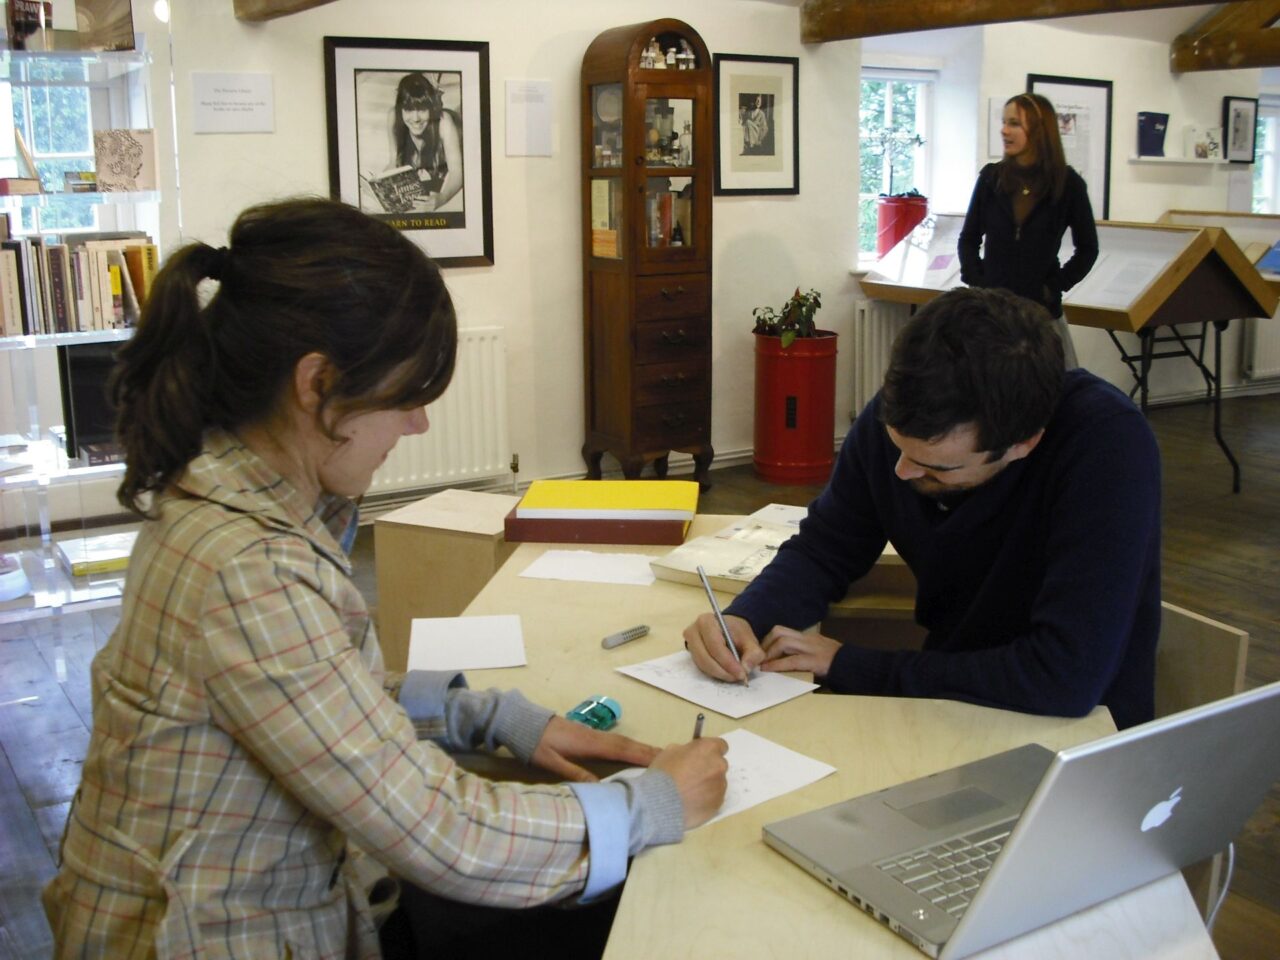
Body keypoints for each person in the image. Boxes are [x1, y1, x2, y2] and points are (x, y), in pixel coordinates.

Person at [43, 197, 729, 959]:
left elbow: (322, 696)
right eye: (407, 398)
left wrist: (490, 718)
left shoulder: (229, 497)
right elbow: (445, 833)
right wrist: (656, 802)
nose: (417, 426)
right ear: (316, 385)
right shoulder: (246, 567)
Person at [684, 287, 1161, 731]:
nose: (902, 473)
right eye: (896, 446)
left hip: (1079, 735)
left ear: (1022, 445)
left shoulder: (1107, 446)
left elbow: (1064, 677)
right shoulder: (904, 418)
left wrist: (847, 663)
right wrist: (746, 617)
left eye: (936, 468)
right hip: (948, 703)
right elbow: (827, 547)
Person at [957, 92, 1098, 369]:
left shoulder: (1068, 184)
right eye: (1004, 122)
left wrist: (1052, 286)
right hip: (992, 314)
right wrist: (980, 282)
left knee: (1049, 396)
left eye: (1014, 123)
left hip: (1041, 315)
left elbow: (1088, 249)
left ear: (1037, 129)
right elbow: (969, 239)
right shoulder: (991, 179)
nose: (1004, 130)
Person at [388, 72, 464, 212]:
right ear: (401, 109)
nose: (415, 118)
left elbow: (457, 171)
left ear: (431, 108)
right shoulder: (394, 116)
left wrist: (442, 198)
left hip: (456, 127)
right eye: (409, 110)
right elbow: (393, 161)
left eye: (422, 109)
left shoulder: (443, 122)